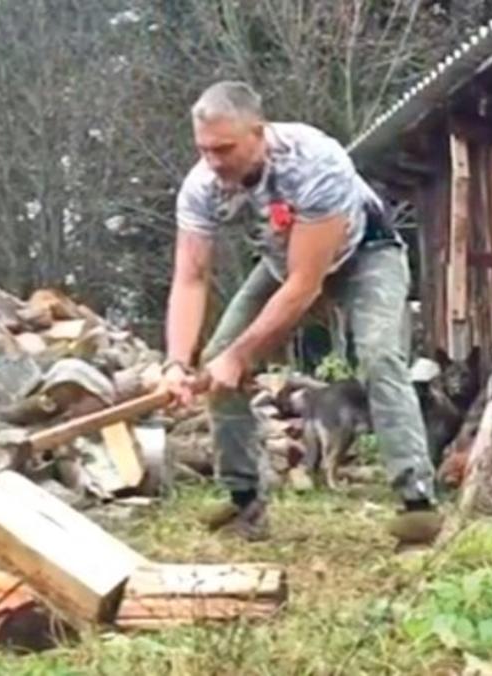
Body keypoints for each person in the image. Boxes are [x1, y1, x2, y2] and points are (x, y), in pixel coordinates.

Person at [161, 80, 440, 543]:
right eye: (204, 149)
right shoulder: (201, 186)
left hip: (365, 254)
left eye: (224, 149)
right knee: (215, 357)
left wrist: (240, 357)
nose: (213, 161)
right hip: (284, 264)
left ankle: (417, 505)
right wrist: (175, 362)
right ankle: (244, 501)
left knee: (379, 356)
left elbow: (304, 287)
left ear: (259, 132)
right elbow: (190, 278)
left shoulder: (314, 161)